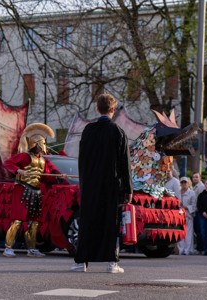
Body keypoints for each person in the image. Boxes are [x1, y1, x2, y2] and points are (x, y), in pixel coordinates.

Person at [71, 94, 132, 273]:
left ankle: (81, 261)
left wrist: (84, 182)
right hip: (111, 184)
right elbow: (124, 163)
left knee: (87, 222)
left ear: (98, 108)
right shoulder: (117, 132)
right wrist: (128, 188)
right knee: (110, 223)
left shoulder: (88, 130)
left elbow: (82, 159)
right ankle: (111, 262)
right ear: (113, 110)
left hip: (90, 184)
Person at [2, 123, 67, 258]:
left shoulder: (43, 160)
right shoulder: (24, 156)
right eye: (40, 144)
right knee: (18, 220)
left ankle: (31, 249)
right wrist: (18, 170)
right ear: (34, 144)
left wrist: (59, 177)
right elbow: (7, 163)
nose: (42, 147)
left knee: (34, 222)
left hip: (36, 191)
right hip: (22, 189)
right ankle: (8, 247)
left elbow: (47, 176)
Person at [177, 176, 197, 255]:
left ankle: (187, 250)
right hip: (179, 216)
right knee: (180, 233)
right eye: (182, 182)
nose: (183, 184)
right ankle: (181, 249)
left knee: (188, 234)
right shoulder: (177, 192)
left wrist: (186, 207)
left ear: (188, 183)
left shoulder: (192, 193)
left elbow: (194, 206)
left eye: (185, 182)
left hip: (188, 215)